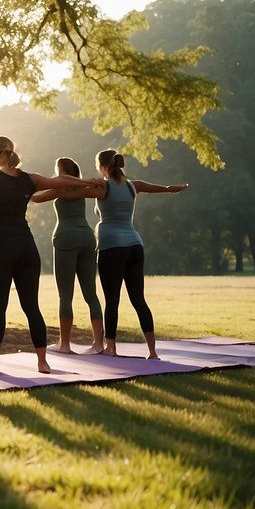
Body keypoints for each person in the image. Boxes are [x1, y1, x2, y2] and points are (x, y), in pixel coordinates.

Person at [0, 136, 97, 376]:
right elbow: (59, 181)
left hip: (1, 247)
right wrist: (87, 181)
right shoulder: (29, 179)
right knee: (31, 306)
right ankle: (43, 363)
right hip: (26, 247)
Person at [93, 149, 189, 359]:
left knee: (112, 300)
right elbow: (159, 188)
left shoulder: (102, 186)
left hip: (112, 248)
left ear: (103, 167)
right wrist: (172, 189)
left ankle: (111, 348)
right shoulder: (132, 186)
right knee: (138, 300)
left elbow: (75, 189)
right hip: (135, 245)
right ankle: (152, 351)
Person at [30, 156, 104, 354]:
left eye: (57, 170)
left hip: (65, 238)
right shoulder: (83, 190)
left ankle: (65, 345)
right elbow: (102, 191)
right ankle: (99, 344)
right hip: (87, 237)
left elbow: (35, 198)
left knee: (65, 295)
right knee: (91, 294)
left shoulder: (58, 189)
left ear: (62, 172)